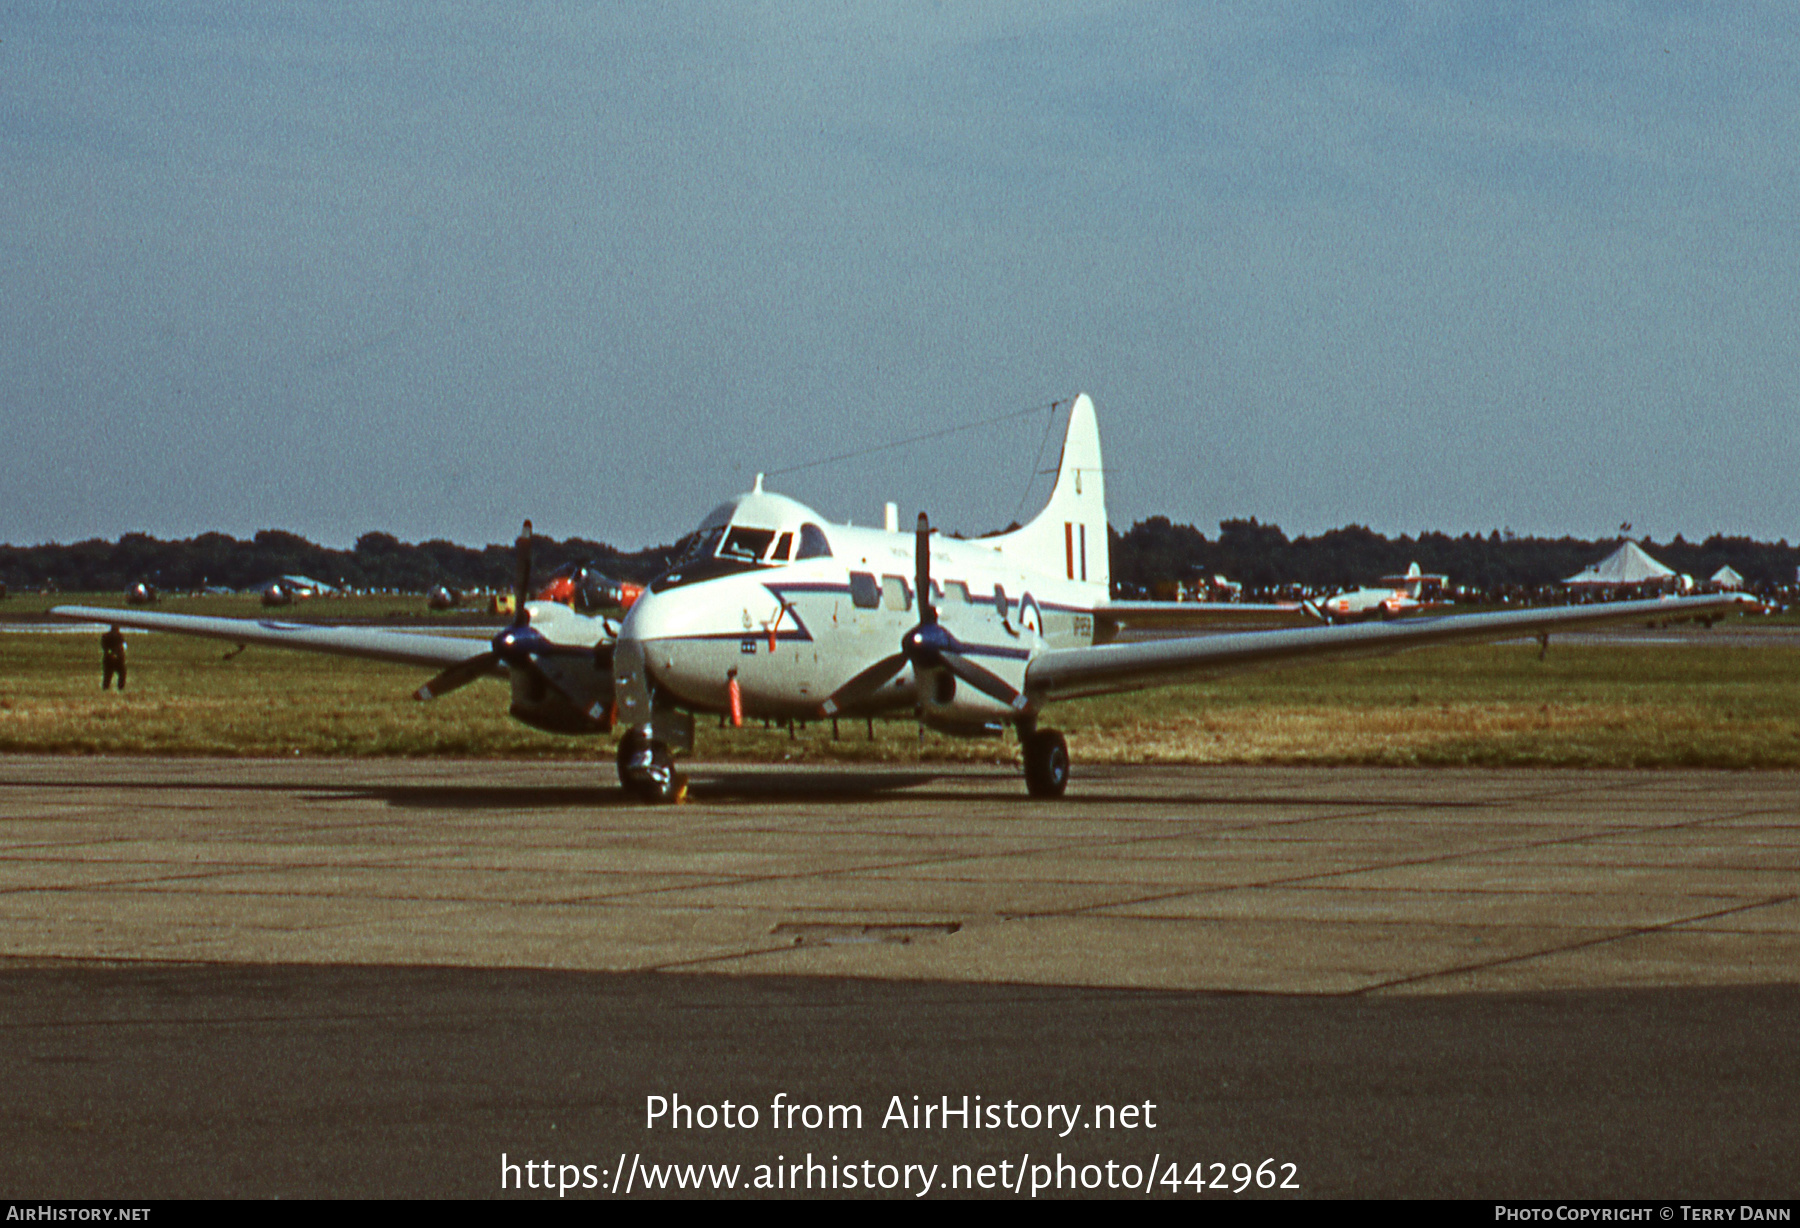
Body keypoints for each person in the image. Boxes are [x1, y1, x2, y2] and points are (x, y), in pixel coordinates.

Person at [101, 625, 127, 691]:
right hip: (117, 659)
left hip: (109, 659)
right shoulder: (120, 637)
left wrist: (110, 653)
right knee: (122, 673)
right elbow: (123, 647)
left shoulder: (105, 636)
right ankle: (120, 687)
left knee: (107, 675)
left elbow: (104, 647)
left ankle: (106, 688)